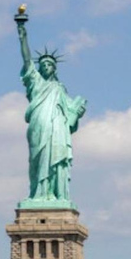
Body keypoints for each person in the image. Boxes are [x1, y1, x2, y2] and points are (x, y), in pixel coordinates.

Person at [17, 18, 87, 203]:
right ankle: (38, 194)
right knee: (38, 159)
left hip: (57, 127)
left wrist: (78, 111)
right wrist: (22, 34)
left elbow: (71, 112)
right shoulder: (35, 82)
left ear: (54, 68)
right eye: (43, 64)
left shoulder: (59, 89)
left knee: (56, 160)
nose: (46, 67)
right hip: (39, 124)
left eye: (50, 65)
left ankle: (55, 195)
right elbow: (26, 59)